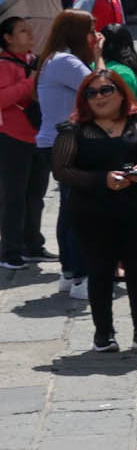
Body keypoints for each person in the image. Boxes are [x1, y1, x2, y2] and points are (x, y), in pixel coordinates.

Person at [53, 67, 137, 353]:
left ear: (121, 93)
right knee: (101, 271)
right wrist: (101, 179)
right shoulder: (75, 131)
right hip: (92, 212)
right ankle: (103, 334)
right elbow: (62, 170)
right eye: (91, 93)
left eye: (106, 90)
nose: (99, 97)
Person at [36, 11, 97, 307]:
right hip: (68, 143)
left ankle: (69, 271)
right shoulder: (65, 61)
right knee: (80, 212)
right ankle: (82, 277)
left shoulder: (56, 60)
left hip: (57, 141)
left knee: (69, 209)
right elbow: (100, 87)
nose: (95, 35)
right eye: (91, 30)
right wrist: (99, 55)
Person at [0, 17, 40, 272]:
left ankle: (32, 244)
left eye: (29, 29)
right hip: (12, 136)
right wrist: (31, 82)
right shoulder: (3, 64)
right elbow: (3, 98)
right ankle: (10, 250)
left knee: (35, 195)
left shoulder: (33, 60)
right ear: (8, 37)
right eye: (22, 31)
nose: (29, 34)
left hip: (37, 135)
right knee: (12, 196)